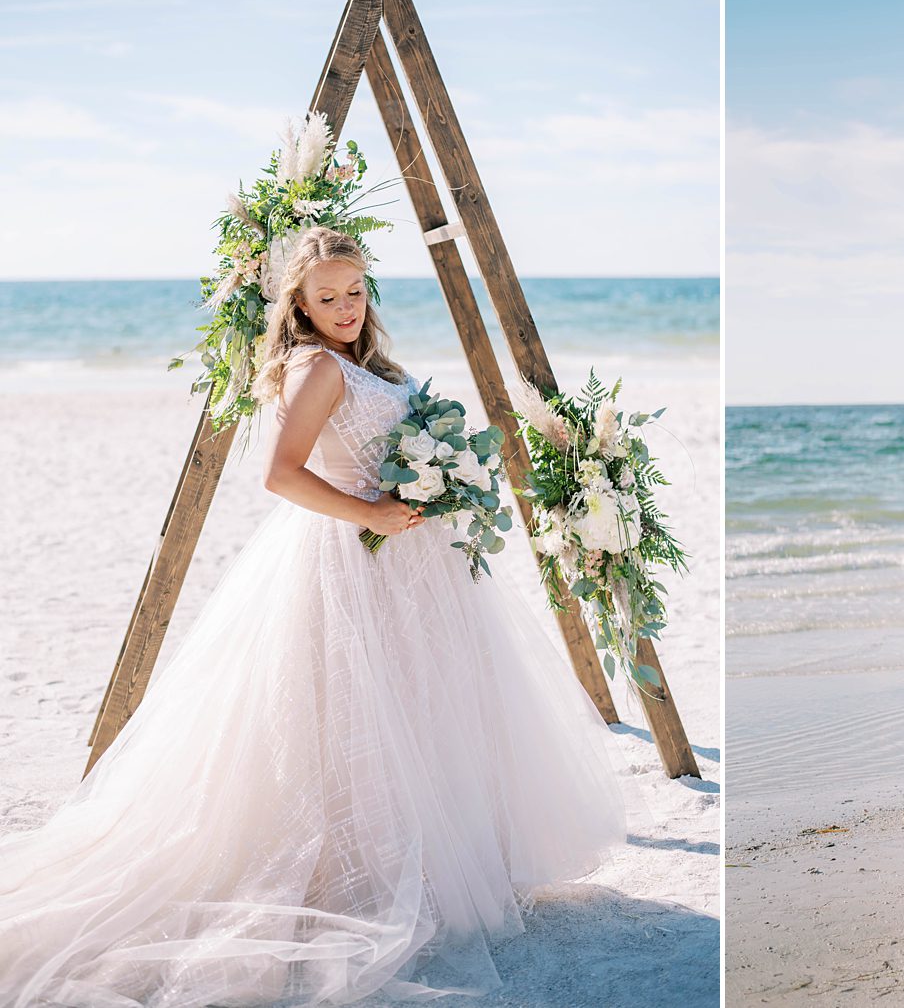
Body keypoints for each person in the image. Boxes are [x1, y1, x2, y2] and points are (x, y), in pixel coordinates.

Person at [0, 227, 626, 1006]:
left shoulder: (366, 365)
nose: (344, 308)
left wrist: (439, 484)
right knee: (352, 718)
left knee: (419, 710)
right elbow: (280, 475)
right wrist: (372, 511)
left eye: (355, 293)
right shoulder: (316, 367)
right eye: (326, 297)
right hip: (350, 561)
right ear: (297, 303)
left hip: (406, 562)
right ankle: (362, 873)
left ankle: (432, 864)